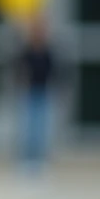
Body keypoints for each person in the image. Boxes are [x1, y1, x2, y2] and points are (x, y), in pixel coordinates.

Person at [15, 14, 57, 176]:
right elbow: (18, 69)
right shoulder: (26, 50)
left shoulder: (48, 50)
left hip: (44, 92)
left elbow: (55, 71)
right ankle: (27, 161)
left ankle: (41, 162)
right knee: (28, 129)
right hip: (29, 93)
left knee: (42, 129)